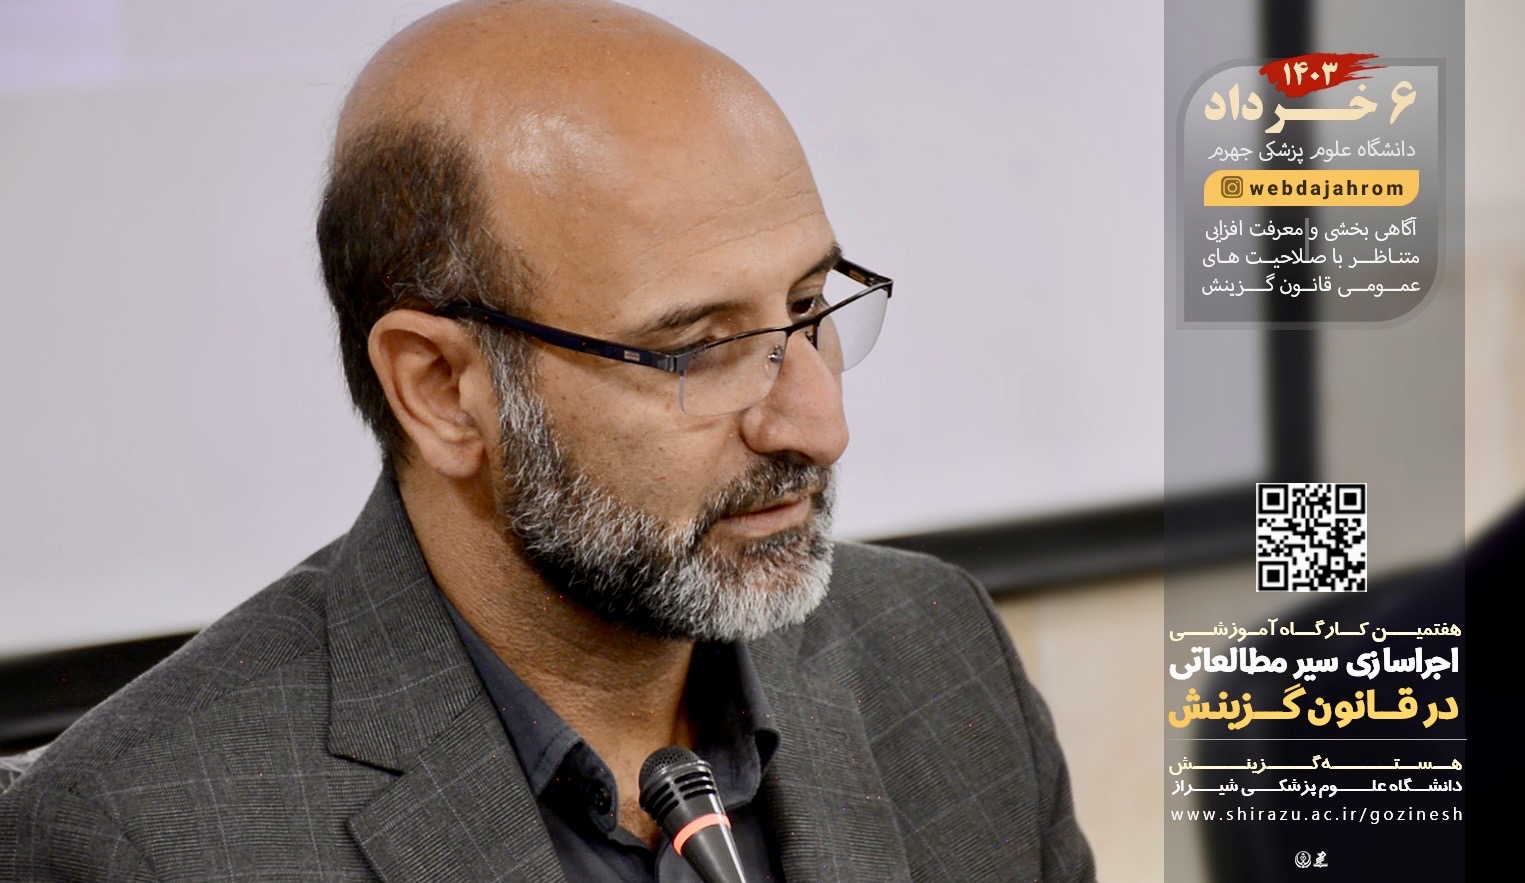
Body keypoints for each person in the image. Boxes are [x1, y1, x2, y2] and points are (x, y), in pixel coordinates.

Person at [0, 1, 1094, 879]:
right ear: (441, 389)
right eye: (697, 348)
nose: (819, 423)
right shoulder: (140, 839)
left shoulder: (936, 655)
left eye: (809, 308)